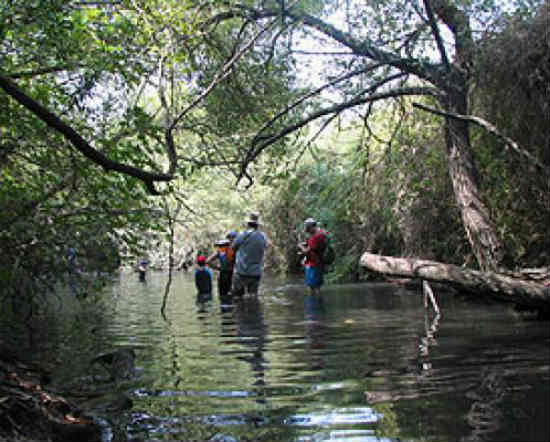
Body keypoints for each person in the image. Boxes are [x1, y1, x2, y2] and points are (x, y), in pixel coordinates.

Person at [230, 212, 267, 297]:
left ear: (248, 224)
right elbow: (264, 248)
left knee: (237, 297)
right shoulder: (263, 236)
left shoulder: (243, 235)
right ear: (258, 225)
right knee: (253, 297)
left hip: (241, 271)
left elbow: (233, 248)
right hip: (256, 272)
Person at [298, 217, 328, 296]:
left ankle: (315, 304)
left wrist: (301, 246)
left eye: (307, 228)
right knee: (317, 286)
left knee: (313, 287)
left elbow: (307, 251)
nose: (307, 231)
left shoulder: (316, 236)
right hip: (319, 263)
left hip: (314, 264)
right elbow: (314, 246)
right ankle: (318, 304)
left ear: (311, 227)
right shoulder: (322, 233)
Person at [206, 235, 236, 300]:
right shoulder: (232, 252)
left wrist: (217, 268)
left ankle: (223, 307)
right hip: (231, 274)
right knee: (230, 294)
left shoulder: (219, 252)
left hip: (222, 273)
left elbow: (208, 261)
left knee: (222, 294)